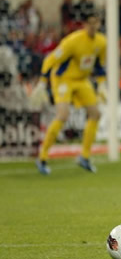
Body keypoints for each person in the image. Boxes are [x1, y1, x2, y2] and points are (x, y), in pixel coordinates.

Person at [30, 13, 107, 175]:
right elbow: (50, 60)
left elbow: (99, 66)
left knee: (95, 114)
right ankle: (42, 157)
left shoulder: (101, 42)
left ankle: (84, 157)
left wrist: (102, 85)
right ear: (84, 25)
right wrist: (43, 82)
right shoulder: (72, 42)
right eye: (90, 23)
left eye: (96, 23)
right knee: (63, 115)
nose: (93, 27)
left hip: (82, 80)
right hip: (63, 79)